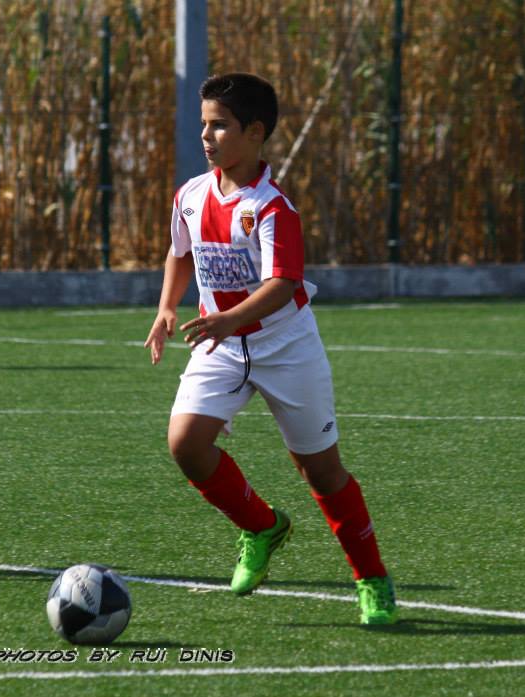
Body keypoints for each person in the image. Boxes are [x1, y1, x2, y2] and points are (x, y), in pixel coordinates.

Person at [144, 72, 397, 624]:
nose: (206, 136)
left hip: (285, 346)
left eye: (219, 126)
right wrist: (167, 307)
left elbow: (283, 283)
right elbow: (179, 252)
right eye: (204, 124)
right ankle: (262, 527)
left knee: (320, 471)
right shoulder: (190, 195)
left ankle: (372, 580)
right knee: (186, 443)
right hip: (222, 343)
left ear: (255, 132)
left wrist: (228, 318)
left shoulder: (273, 206)